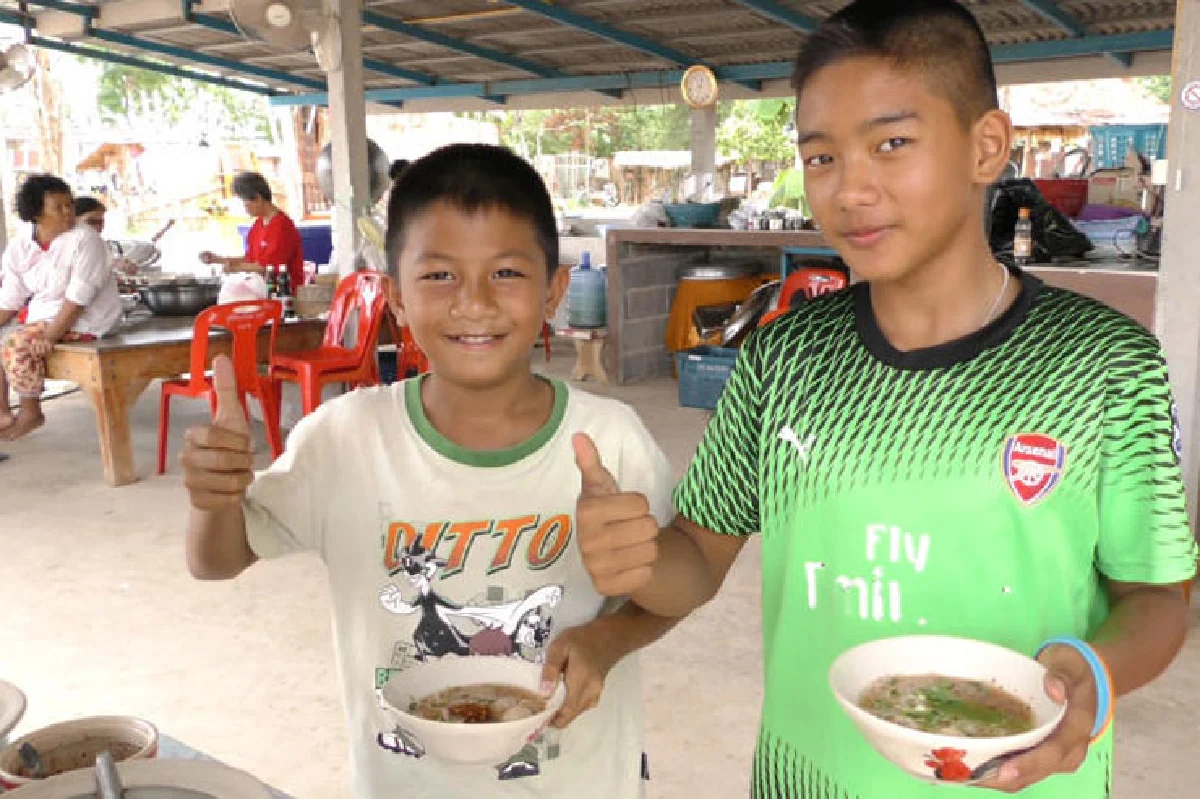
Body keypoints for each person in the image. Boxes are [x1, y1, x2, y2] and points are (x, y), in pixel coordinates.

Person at [572, 1, 1198, 797]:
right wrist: (640, 558)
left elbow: (1156, 596)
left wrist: (1096, 677)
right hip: (809, 776)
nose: (850, 188)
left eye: (891, 143)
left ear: (987, 147)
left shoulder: (1104, 364)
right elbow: (697, 556)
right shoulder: (783, 356)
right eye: (822, 157)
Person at [181, 143, 677, 798]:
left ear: (555, 288)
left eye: (505, 272)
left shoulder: (611, 441)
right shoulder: (346, 439)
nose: (474, 302)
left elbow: (676, 585)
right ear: (394, 297)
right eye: (440, 275)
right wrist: (214, 497)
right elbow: (217, 560)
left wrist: (611, 639)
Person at [0, 175, 121, 440]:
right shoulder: (20, 247)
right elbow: (10, 298)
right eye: (59, 207)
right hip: (42, 319)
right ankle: (3, 413)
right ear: (35, 214)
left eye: (70, 205)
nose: (69, 213)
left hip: (86, 320)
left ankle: (31, 411)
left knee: (16, 343)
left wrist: (50, 335)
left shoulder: (85, 239)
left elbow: (79, 297)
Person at [199, 171, 303, 291]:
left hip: (284, 295)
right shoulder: (258, 225)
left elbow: (266, 267)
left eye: (244, 202)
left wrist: (236, 268)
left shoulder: (282, 227)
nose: (244, 207)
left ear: (258, 198)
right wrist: (217, 259)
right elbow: (250, 259)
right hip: (262, 292)